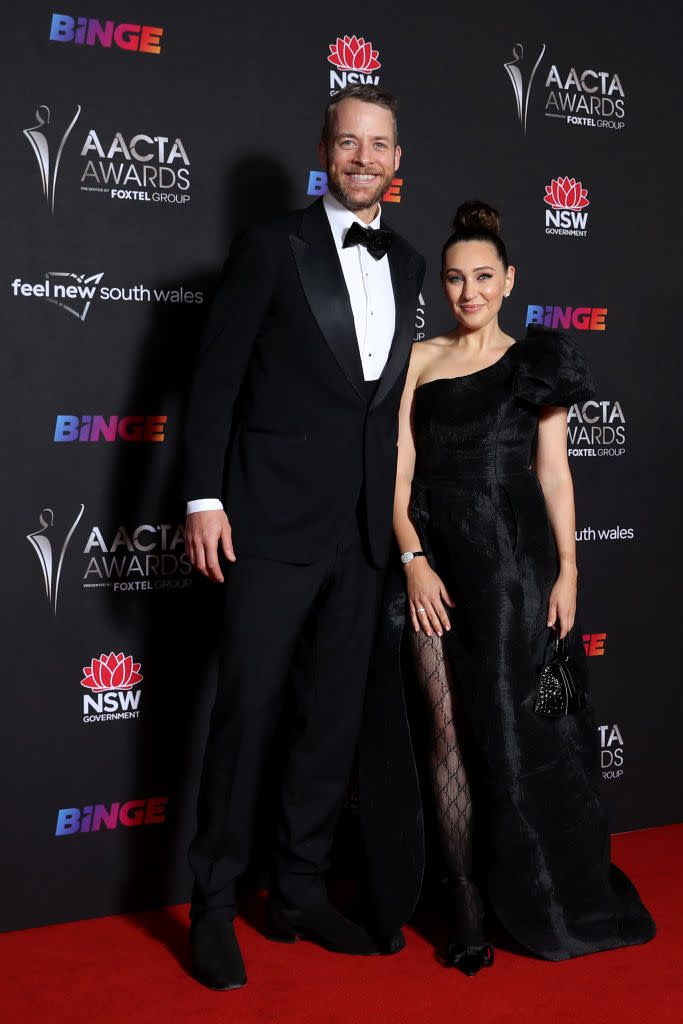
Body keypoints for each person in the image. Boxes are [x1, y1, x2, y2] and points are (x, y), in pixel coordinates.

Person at [363, 200, 655, 975]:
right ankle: (461, 904)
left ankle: (533, 884)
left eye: (482, 277)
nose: (468, 292)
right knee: (443, 728)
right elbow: (393, 478)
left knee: (523, 725)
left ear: (508, 280)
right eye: (455, 279)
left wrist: (568, 568)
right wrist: (413, 559)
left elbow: (553, 472)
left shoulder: (538, 359)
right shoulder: (417, 361)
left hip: (513, 567)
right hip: (433, 563)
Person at [182, 84, 426, 991]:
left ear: (399, 162)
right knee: (245, 717)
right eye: (349, 142)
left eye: (381, 145)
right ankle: (211, 908)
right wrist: (204, 499)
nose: (364, 158)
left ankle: (298, 890)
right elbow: (212, 386)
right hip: (267, 524)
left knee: (327, 725)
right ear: (324, 149)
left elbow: (383, 408)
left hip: (361, 534)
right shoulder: (269, 247)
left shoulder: (406, 265)